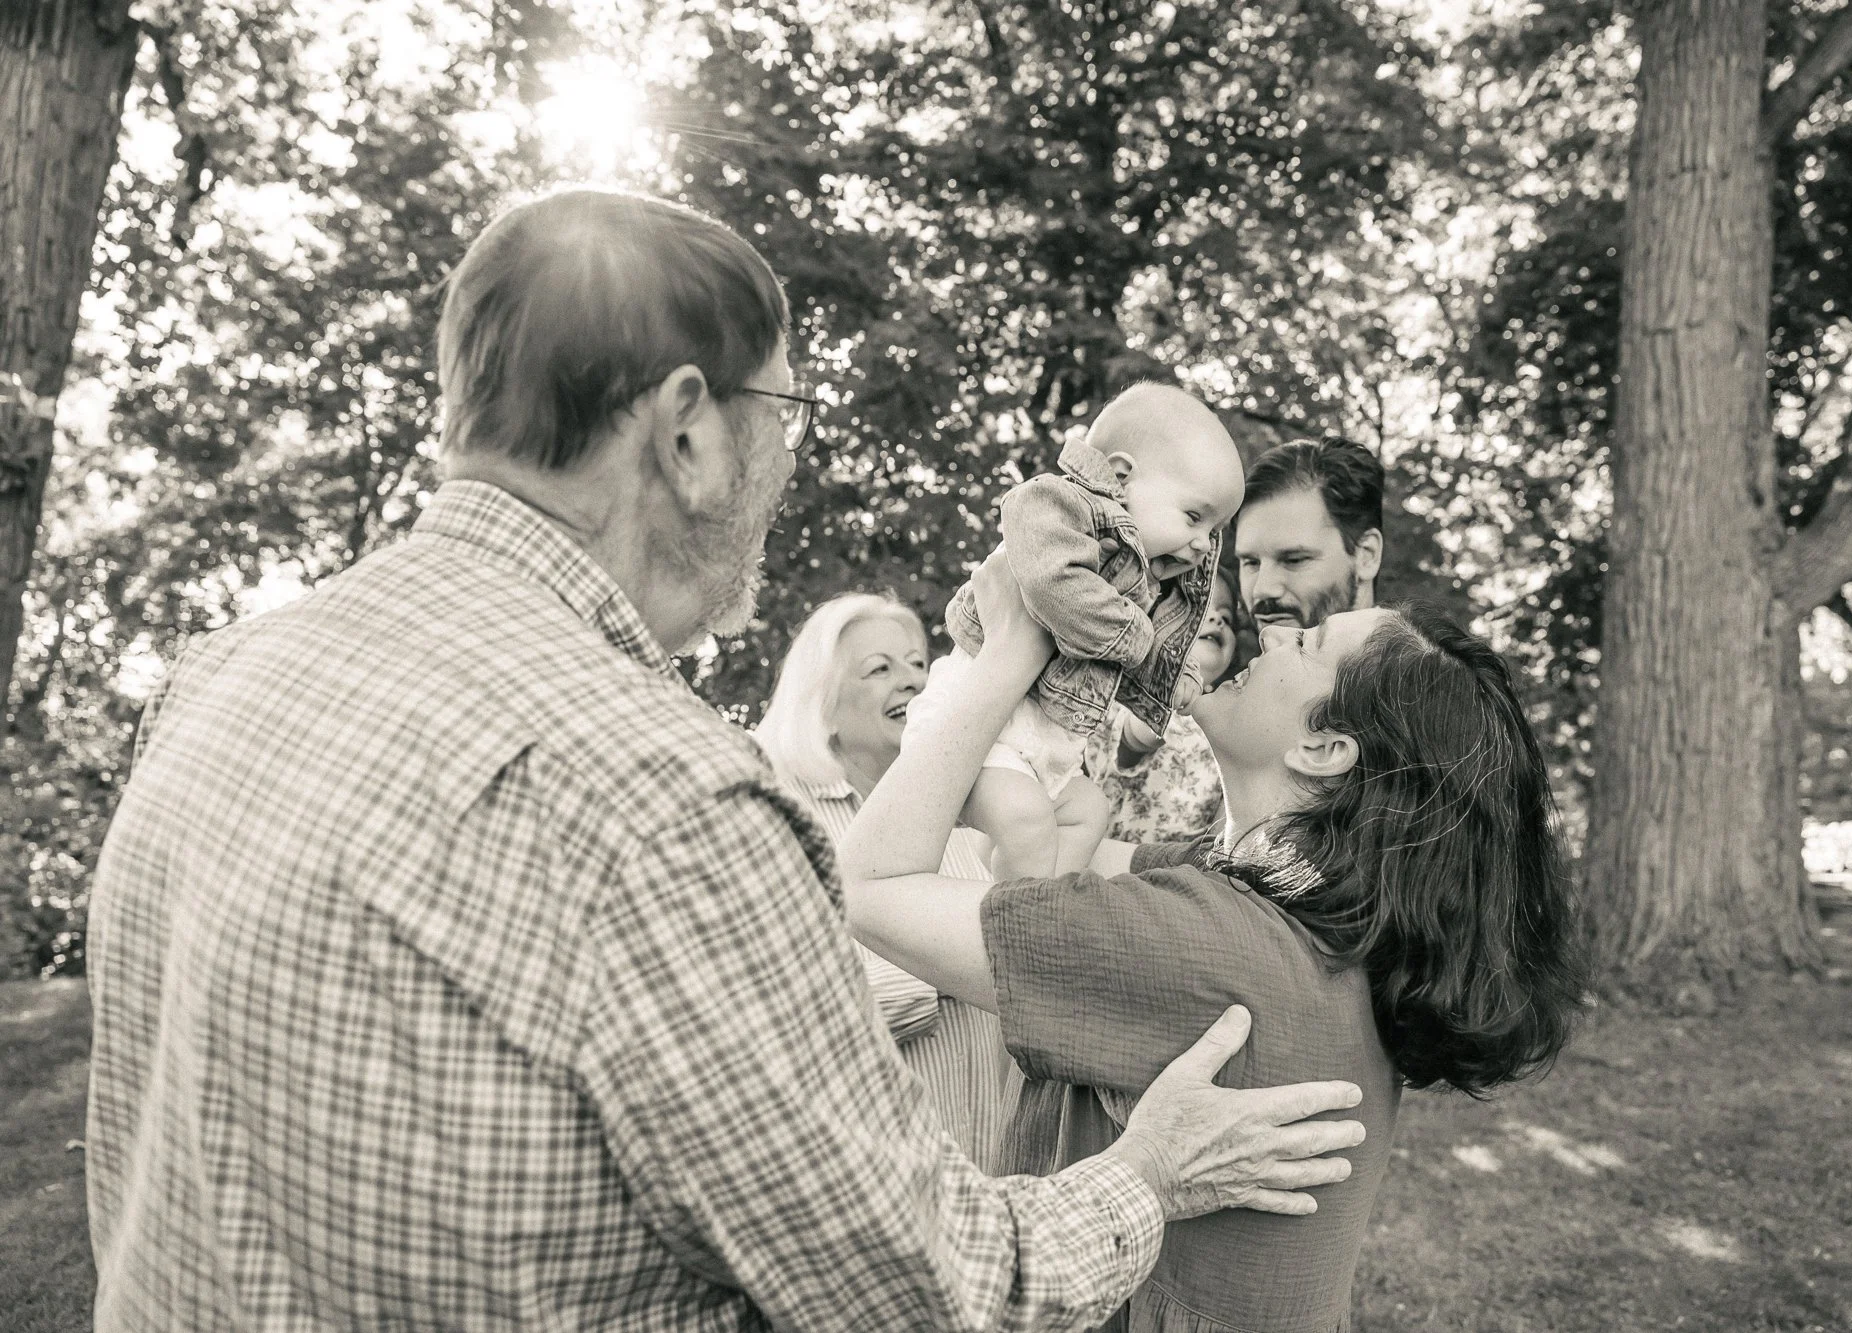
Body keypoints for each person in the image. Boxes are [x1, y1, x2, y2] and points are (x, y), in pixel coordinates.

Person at [84, 187, 1370, 1332]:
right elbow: (923, 1287)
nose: (789, 458)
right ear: (689, 431)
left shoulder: (220, 672)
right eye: (787, 414)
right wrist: (1149, 1175)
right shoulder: (667, 798)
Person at [841, 558, 1588, 1333]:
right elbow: (1070, 852)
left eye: (1310, 643)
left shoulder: (1212, 942)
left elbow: (871, 887)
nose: (1273, 631)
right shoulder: (1300, 913)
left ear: (1325, 747)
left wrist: (1003, 653)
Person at [908, 383, 1243, 880]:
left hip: (1042, 746)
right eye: (1195, 516)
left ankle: (1012, 898)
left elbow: (1120, 664)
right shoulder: (1057, 505)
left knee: (1088, 815)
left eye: (1214, 533)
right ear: (1121, 476)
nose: (1201, 545)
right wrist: (1148, 648)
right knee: (1027, 822)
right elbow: (1054, 584)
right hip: (978, 725)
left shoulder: (1143, 584)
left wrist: (1173, 680)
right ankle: (1011, 922)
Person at [752, 591, 1023, 1171]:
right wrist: (955, 960)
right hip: (869, 1179)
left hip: (994, 1164)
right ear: (820, 701)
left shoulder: (960, 813)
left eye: (919, 663)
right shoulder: (782, 820)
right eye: (881, 668)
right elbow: (786, 1010)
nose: (913, 682)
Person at [1081, 568, 1242, 842]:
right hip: (1122, 853)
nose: (1217, 620)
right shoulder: (1136, 694)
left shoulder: (1230, 713)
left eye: (1227, 617)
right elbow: (1135, 737)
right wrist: (1166, 687)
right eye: (1199, 611)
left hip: (1183, 863)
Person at [1234, 436, 1384, 632]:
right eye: (1251, 563)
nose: (1261, 590)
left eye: (1294, 560)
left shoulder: (1426, 661)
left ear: (1366, 555)